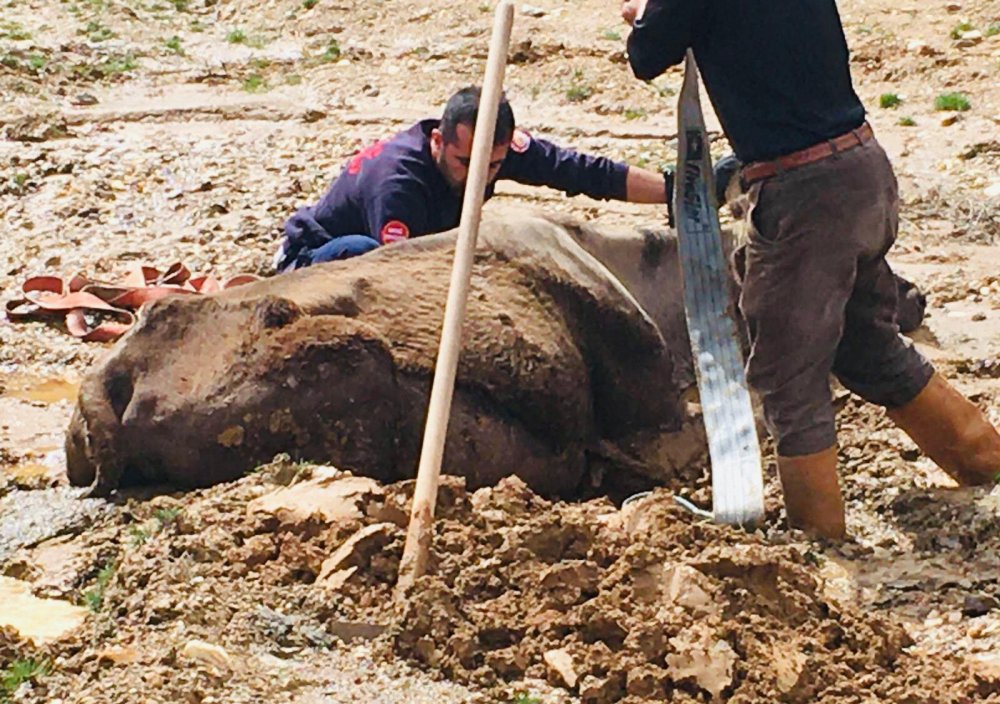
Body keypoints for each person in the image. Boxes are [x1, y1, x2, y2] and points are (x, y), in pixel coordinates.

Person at [621, 0, 1000, 537]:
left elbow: (645, 54)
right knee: (868, 347)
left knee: (785, 375)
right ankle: (987, 464)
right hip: (862, 170)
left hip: (804, 195)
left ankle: (818, 540)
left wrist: (642, 14)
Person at [275, 86, 669, 272]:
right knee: (364, 252)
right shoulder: (398, 185)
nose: (479, 177)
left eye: (493, 166)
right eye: (466, 163)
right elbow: (400, 270)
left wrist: (673, 190)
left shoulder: (486, 153)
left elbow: (582, 172)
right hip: (315, 258)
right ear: (437, 141)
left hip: (407, 249)